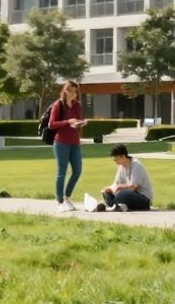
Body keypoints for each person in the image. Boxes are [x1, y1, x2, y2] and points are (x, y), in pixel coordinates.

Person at [49, 80, 87, 212]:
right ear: (64, 91)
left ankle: (67, 197)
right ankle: (59, 201)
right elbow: (51, 124)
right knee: (62, 172)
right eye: (70, 90)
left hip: (74, 142)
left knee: (77, 171)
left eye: (75, 91)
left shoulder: (77, 106)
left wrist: (81, 123)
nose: (72, 93)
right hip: (61, 142)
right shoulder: (58, 105)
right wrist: (67, 122)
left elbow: (77, 122)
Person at [95, 143, 153, 211]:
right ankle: (116, 206)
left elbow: (133, 187)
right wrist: (109, 189)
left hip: (142, 198)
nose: (115, 161)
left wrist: (119, 187)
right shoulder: (121, 167)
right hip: (127, 196)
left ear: (123, 156)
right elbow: (116, 183)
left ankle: (113, 205)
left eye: (117, 159)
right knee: (107, 193)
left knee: (124, 193)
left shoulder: (136, 165)